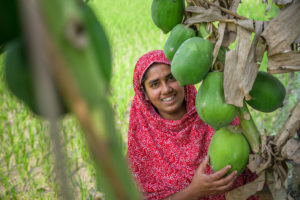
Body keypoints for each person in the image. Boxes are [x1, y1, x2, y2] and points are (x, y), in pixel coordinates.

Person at [127, 50, 258, 200]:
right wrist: (194, 191)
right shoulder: (142, 142)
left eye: (171, 78)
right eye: (155, 84)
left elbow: (253, 170)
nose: (166, 89)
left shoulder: (214, 114)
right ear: (144, 94)